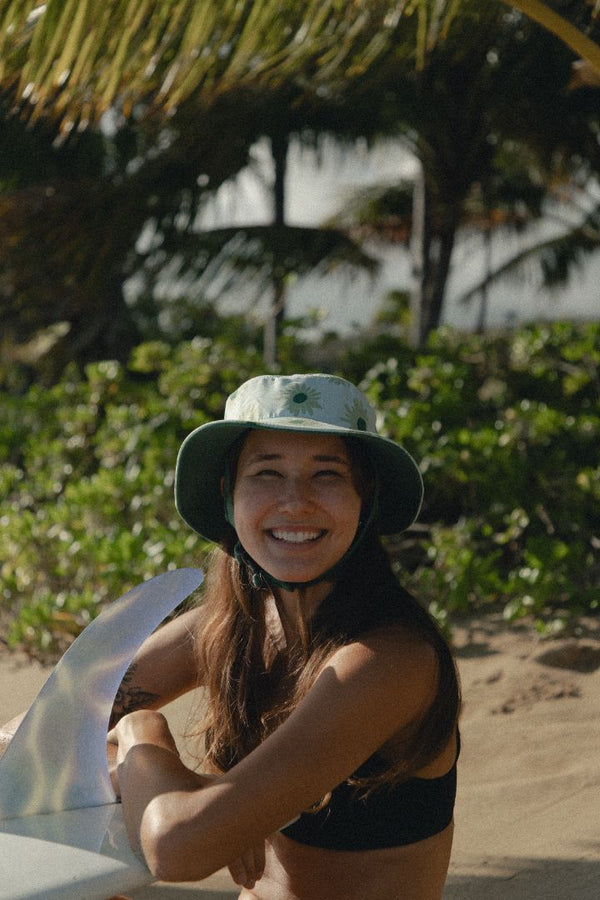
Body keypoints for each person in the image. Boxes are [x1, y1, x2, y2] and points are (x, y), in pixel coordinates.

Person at [104, 372, 462, 899]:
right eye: (267, 474)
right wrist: (208, 796)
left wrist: (140, 732)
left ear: (367, 497)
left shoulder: (387, 661)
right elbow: (44, 726)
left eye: (327, 476)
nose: (295, 502)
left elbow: (178, 848)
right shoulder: (236, 624)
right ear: (230, 495)